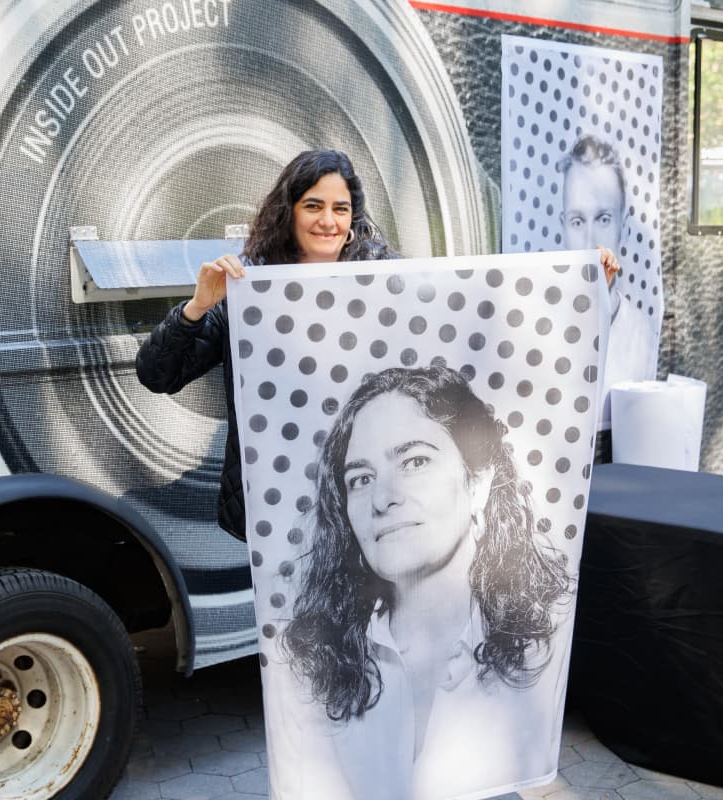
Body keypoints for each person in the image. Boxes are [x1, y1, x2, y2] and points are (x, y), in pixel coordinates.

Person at [273, 366, 573, 799]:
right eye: (361, 479)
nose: (383, 498)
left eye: (415, 461)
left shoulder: (551, 628)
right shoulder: (311, 657)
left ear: (479, 484)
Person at [135, 150, 396, 539]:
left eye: (340, 209)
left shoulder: (389, 282)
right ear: (288, 213)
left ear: (353, 219)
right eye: (313, 206)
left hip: (360, 497)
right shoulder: (248, 288)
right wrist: (198, 306)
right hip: (276, 501)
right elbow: (158, 375)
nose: (328, 221)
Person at [559, 134, 658, 441]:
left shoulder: (640, 331)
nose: (590, 241)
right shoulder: (536, 325)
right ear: (563, 227)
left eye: (603, 218)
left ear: (623, 228)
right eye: (577, 221)